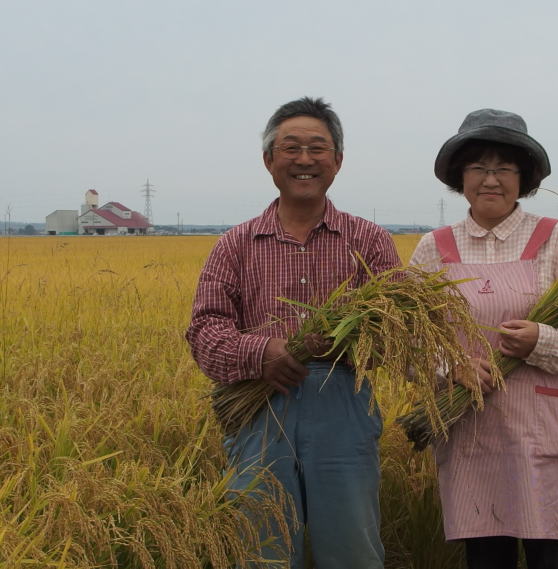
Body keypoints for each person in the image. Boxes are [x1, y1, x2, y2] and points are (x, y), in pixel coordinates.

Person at [186, 96, 400, 569]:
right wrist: (261, 352)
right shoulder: (236, 245)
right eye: (291, 148)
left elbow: (397, 332)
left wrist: (347, 341)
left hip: (342, 405)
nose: (305, 160)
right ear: (269, 161)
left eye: (318, 148)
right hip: (258, 408)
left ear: (338, 161)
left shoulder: (369, 241)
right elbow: (204, 330)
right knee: (260, 548)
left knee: (352, 550)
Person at [410, 109, 558, 569]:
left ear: (524, 177)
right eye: (478, 166)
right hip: (474, 431)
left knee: (554, 557)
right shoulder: (433, 248)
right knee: (486, 556)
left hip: (545, 430)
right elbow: (410, 341)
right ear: (461, 177)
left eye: (504, 167)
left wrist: (541, 339)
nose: (490, 179)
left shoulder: (556, 239)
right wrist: (449, 364)